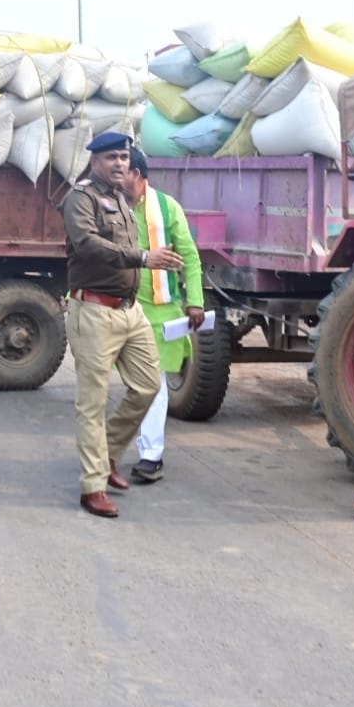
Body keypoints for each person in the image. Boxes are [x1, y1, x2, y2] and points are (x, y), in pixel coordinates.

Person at [59, 131, 184, 518]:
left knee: (148, 386)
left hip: (130, 312)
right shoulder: (81, 198)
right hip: (93, 310)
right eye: (112, 157)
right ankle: (92, 486)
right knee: (92, 403)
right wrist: (144, 258)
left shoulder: (121, 199)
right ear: (94, 160)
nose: (120, 164)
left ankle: (108, 453)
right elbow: (88, 244)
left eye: (125, 158)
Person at [120, 147, 207, 484]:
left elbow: (190, 257)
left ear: (139, 176)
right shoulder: (107, 206)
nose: (117, 176)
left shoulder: (168, 208)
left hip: (157, 313)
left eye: (124, 170)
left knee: (152, 384)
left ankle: (150, 456)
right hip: (115, 308)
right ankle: (107, 455)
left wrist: (195, 301)